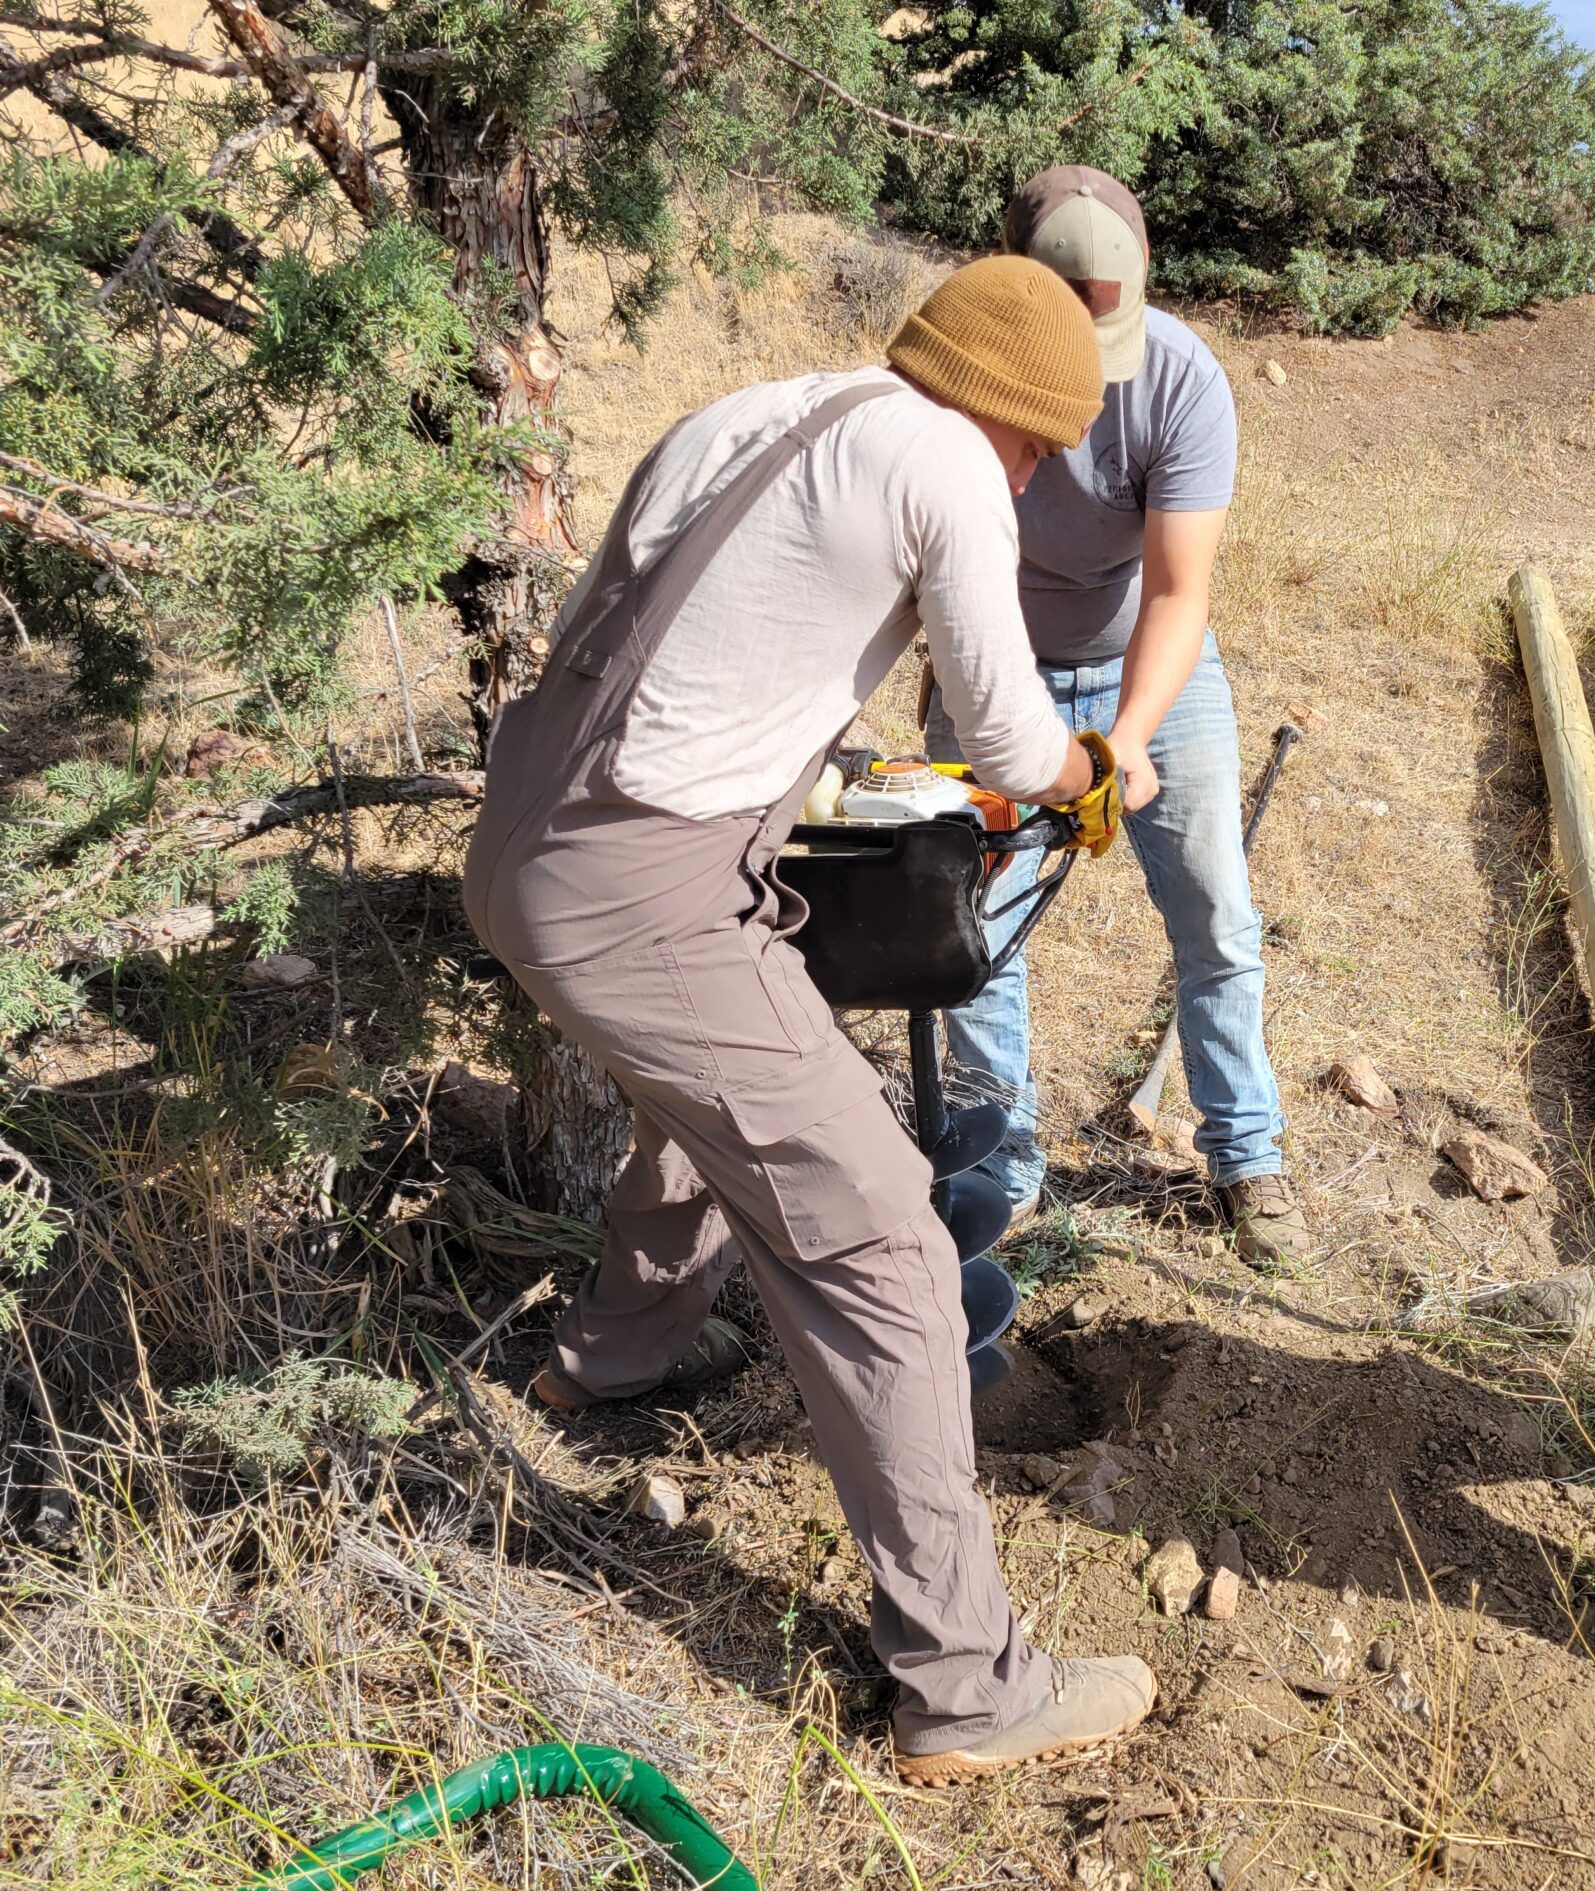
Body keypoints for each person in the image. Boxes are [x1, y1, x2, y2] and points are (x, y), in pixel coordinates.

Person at [462, 256, 1155, 1784]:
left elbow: (680, 645)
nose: (1036, 474)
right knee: (887, 1234)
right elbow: (1006, 728)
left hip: (527, 837)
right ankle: (968, 1690)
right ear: (1019, 421)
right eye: (1042, 447)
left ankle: (614, 1360)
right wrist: (1094, 773)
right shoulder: (949, 467)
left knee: (701, 1092)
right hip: (640, 884)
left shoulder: (756, 412)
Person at [923, 164, 1312, 1269]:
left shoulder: (1183, 380)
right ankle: (1000, 1166)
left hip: (1153, 666)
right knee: (971, 931)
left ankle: (1248, 1156)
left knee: (1216, 922)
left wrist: (1128, 739)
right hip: (990, 662)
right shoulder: (954, 371)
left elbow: (1181, 590)